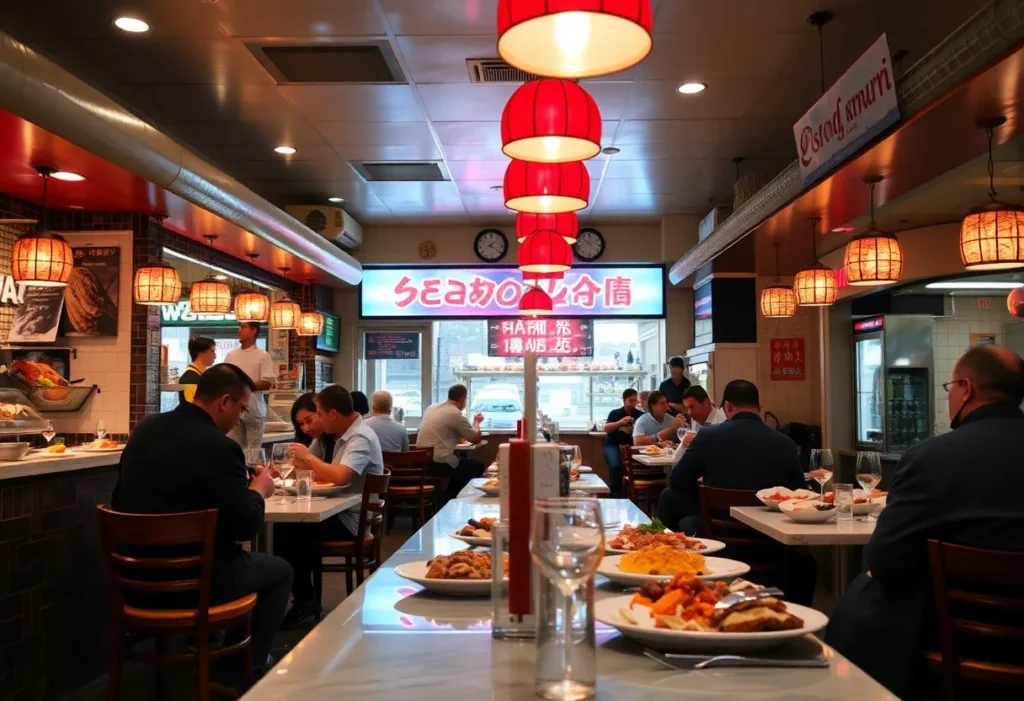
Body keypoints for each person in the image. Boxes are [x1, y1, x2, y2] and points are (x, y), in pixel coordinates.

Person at [826, 345, 1024, 698]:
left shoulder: (932, 457)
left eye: (950, 389)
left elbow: (886, 562)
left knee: (860, 596)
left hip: (957, 635)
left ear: (967, 388)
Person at [112, 364, 291, 673]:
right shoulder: (221, 447)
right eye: (241, 409)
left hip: (133, 580)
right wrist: (259, 490)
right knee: (280, 571)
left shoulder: (145, 429)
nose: (241, 418)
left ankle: (224, 653)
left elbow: (118, 500)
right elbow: (245, 526)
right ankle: (248, 665)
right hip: (197, 583)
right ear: (224, 402)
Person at [277, 385, 385, 627]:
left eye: (319, 414)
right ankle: (304, 598)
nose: (317, 422)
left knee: (286, 532)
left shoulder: (360, 437)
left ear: (332, 414)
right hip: (342, 511)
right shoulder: (339, 437)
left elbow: (341, 476)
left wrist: (308, 458)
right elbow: (313, 472)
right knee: (286, 530)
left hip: (353, 521)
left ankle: (305, 600)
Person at [657, 379, 805, 534]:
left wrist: (704, 493)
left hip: (717, 528)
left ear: (726, 406)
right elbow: (799, 492)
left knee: (669, 497)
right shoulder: (786, 443)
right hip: (770, 534)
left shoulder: (708, 436)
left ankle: (666, 552)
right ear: (759, 407)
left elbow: (677, 480)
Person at [416, 384, 486, 503]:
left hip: (422, 461)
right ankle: (449, 499)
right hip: (441, 462)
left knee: (463, 465)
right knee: (476, 467)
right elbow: (475, 438)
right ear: (462, 399)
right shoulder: (455, 414)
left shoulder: (431, 408)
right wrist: (477, 422)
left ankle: (449, 498)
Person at [224, 322, 275, 450]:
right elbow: (225, 379)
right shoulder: (231, 355)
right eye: (239, 327)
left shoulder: (263, 355)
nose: (239, 330)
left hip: (255, 411)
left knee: (254, 453)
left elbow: (267, 382)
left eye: (243, 327)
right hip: (233, 410)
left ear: (254, 331)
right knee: (233, 449)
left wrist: (243, 386)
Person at [603, 388, 645, 497]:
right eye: (631, 400)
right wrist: (620, 422)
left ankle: (635, 494)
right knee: (615, 466)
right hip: (613, 445)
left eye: (635, 401)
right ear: (624, 400)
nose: (633, 403)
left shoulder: (640, 415)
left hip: (632, 447)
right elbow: (606, 428)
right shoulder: (615, 413)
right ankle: (615, 495)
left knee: (641, 466)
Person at [290, 392, 335, 460]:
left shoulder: (342, 438)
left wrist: (308, 457)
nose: (306, 428)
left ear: (321, 413)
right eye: (301, 423)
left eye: (309, 420)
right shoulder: (318, 440)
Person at [178, 336, 216, 405]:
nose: (215, 356)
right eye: (212, 351)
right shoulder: (190, 379)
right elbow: (193, 408)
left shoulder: (198, 376)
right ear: (201, 353)